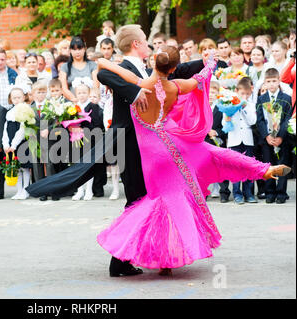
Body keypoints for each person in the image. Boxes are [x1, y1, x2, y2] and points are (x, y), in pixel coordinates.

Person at [26, 25, 207, 277]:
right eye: (145, 40)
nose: (149, 44)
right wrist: (133, 93)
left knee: (147, 199)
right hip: (128, 142)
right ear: (136, 44)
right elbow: (103, 75)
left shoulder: (147, 68)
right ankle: (120, 260)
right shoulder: (123, 66)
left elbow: (178, 69)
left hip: (148, 145)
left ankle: (142, 255)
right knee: (137, 199)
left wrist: (204, 62)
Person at [95, 45, 290, 276]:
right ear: (175, 68)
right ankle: (263, 170)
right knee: (214, 154)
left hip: (152, 154)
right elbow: (200, 79)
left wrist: (105, 62)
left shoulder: (138, 84)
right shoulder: (175, 86)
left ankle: (162, 259)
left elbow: (104, 66)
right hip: (174, 141)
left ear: (154, 60)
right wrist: (210, 63)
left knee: (159, 202)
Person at [256, 68, 293, 204]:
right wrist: (267, 136)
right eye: (268, 81)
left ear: (279, 82)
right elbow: (259, 120)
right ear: (264, 83)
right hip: (267, 140)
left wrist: (280, 137)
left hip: (282, 140)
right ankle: (270, 192)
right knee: (268, 164)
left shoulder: (286, 99)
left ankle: (281, 193)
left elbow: (287, 119)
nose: (271, 84)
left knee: (282, 164)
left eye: (274, 81)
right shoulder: (261, 99)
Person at [223, 78, 258, 204]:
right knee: (235, 168)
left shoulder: (250, 105)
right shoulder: (228, 103)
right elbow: (224, 125)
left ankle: (248, 193)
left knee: (248, 167)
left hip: (247, 140)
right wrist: (227, 117)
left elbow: (252, 121)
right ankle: (237, 194)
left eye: (247, 94)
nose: (245, 96)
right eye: (242, 93)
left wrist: (243, 108)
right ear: (237, 91)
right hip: (234, 140)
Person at [71, 83, 104, 201]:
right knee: (78, 165)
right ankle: (80, 190)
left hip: (89, 140)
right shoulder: (73, 107)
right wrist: (72, 128)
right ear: (76, 94)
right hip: (76, 140)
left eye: (84, 93)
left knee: (88, 166)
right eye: (79, 93)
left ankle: (89, 190)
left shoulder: (93, 107)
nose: (81, 95)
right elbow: (69, 122)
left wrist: (83, 130)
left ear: (88, 93)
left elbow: (96, 125)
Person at [3, 87, 31, 200]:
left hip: (22, 142)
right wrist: (5, 144)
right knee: (17, 167)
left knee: (25, 167)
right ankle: (19, 190)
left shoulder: (26, 110)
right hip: (10, 144)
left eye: (19, 97)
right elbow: (5, 129)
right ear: (10, 99)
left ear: (24, 97)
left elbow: (22, 130)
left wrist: (14, 144)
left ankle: (26, 190)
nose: (16, 99)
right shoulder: (9, 112)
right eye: (14, 97)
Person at [205, 81, 230, 202]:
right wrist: (206, 131)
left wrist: (217, 132)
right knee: (203, 167)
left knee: (220, 167)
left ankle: (224, 192)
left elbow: (226, 126)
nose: (210, 94)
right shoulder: (201, 107)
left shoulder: (221, 108)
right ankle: (203, 192)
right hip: (203, 141)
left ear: (217, 94)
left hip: (218, 141)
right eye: (209, 92)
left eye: (213, 92)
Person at [59, 36, 99, 103]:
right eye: (74, 49)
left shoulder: (92, 65)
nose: (77, 52)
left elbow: (96, 85)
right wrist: (75, 99)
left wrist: (89, 100)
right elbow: (64, 88)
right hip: (72, 104)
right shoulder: (65, 67)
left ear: (84, 49)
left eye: (80, 49)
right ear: (70, 50)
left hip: (91, 102)